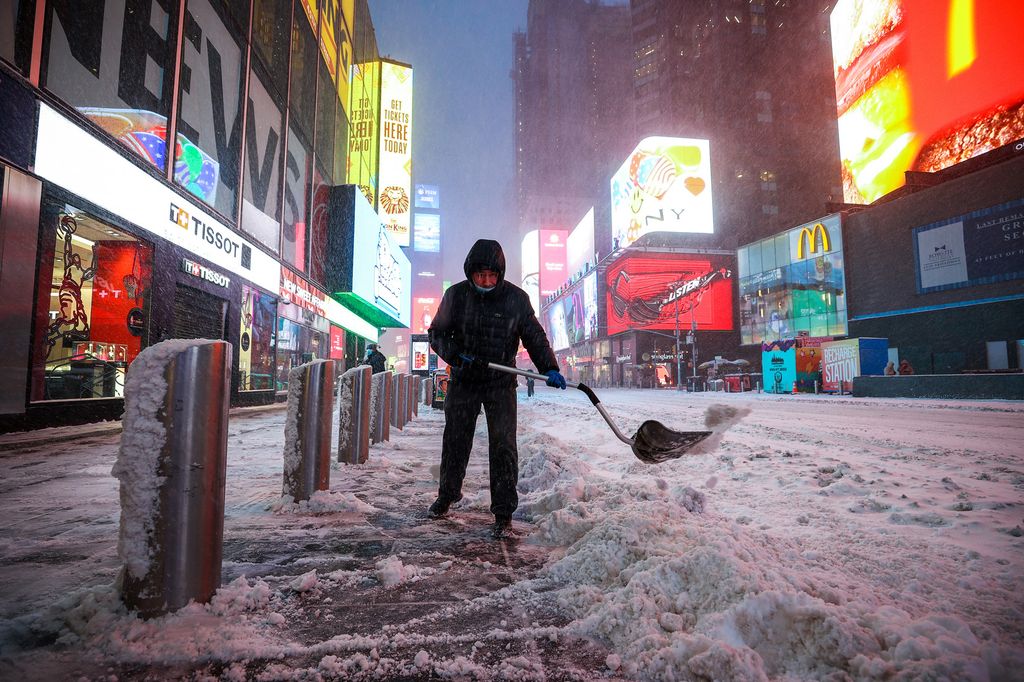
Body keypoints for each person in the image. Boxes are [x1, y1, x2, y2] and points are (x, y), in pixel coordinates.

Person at [427, 239, 565, 538]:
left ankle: (503, 512)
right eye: (480, 276)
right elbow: (436, 333)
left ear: (500, 273)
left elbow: (534, 336)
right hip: (465, 379)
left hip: (500, 383)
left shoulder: (516, 299)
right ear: (470, 273)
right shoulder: (456, 296)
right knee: (456, 440)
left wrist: (549, 367)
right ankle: (447, 494)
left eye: (492, 275)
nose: (486, 281)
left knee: (503, 446)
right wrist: (457, 356)